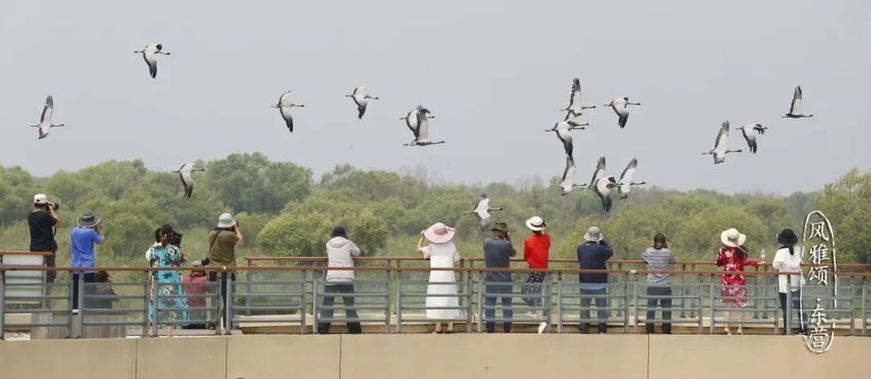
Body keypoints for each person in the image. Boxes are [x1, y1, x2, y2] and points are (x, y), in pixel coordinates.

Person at [417, 222, 462, 334]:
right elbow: (457, 259)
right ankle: (450, 326)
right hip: (449, 274)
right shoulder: (452, 245)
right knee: (449, 297)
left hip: (436, 275)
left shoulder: (432, 247)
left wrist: (422, 238)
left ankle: (438, 327)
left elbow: (418, 250)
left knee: (436, 298)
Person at [318, 227, 363, 334]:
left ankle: (323, 328)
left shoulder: (328, 244)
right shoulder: (348, 243)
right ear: (344, 234)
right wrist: (350, 241)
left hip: (331, 277)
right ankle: (354, 329)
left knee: (327, 304)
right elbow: (357, 253)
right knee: (349, 304)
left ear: (333, 235)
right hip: (346, 277)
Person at [716, 228, 760, 335]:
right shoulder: (741, 251)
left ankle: (727, 327)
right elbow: (746, 261)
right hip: (739, 280)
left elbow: (718, 262)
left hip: (726, 280)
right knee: (741, 305)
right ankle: (740, 328)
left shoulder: (722, 251)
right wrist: (756, 263)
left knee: (728, 305)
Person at [146, 225, 189, 335]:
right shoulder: (174, 249)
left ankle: (152, 332)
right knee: (171, 306)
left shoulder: (153, 248)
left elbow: (148, 258)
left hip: (156, 280)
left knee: (154, 304)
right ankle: (169, 333)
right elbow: (184, 260)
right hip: (171, 281)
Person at [207, 213, 243, 329]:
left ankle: (214, 323)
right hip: (226, 272)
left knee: (215, 298)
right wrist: (236, 228)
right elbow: (241, 242)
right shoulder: (229, 235)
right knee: (228, 299)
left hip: (213, 271)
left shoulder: (212, 234)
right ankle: (228, 323)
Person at [577, 226, 613, 334]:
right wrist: (602, 241)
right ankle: (602, 329)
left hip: (584, 282)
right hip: (599, 283)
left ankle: (584, 327)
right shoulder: (601, 249)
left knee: (584, 306)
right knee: (601, 307)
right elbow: (610, 251)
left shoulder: (580, 248)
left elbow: (580, 260)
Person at [772, 228, 808, 335]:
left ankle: (787, 328)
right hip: (796, 283)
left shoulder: (780, 252)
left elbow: (775, 266)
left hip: (784, 284)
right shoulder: (798, 249)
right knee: (799, 306)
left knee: (786, 308)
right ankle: (804, 328)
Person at [483, 221, 516, 333]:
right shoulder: (506, 244)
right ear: (504, 232)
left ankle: (490, 328)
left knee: (490, 303)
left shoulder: (486, 242)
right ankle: (507, 328)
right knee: (507, 304)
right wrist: (509, 239)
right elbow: (513, 253)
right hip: (505, 279)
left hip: (490, 278)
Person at [641, 233, 676, 334]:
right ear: (664, 242)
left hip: (652, 284)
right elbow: (673, 261)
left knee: (651, 308)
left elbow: (643, 257)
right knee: (666, 309)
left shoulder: (648, 251)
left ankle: (650, 330)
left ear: (654, 241)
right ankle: (666, 330)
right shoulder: (667, 252)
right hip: (665, 284)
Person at [70, 210, 104, 310]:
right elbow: (101, 240)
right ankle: (89, 313)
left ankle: (75, 312)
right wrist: (100, 230)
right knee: (89, 294)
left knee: (75, 293)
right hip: (88, 267)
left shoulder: (74, 231)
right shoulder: (91, 232)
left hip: (75, 266)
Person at [521, 216, 550, 334]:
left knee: (528, 290)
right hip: (543, 269)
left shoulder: (528, 240)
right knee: (535, 290)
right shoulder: (547, 238)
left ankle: (539, 317)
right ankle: (536, 313)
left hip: (534, 268)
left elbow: (525, 256)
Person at [28, 194, 60, 284]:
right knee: (50, 274)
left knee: (37, 273)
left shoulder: (30, 215)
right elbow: (57, 223)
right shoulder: (45, 215)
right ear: (45, 204)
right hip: (47, 248)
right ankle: (47, 295)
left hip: (34, 247)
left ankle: (37, 294)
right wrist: (51, 210)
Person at [182, 260, 210, 329]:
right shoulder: (204, 281)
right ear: (202, 270)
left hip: (186, 317)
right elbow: (213, 291)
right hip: (199, 318)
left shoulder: (184, 280)